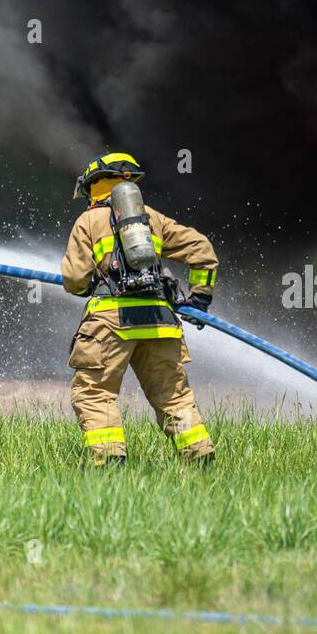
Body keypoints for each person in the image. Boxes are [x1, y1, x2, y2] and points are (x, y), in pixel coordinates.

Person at [60, 152, 217, 466]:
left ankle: (109, 460)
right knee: (173, 396)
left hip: (111, 321)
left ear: (94, 185)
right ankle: (198, 453)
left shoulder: (88, 220)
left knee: (95, 392)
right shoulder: (153, 219)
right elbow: (202, 248)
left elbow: (74, 280)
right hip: (160, 320)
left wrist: (91, 283)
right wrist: (199, 296)